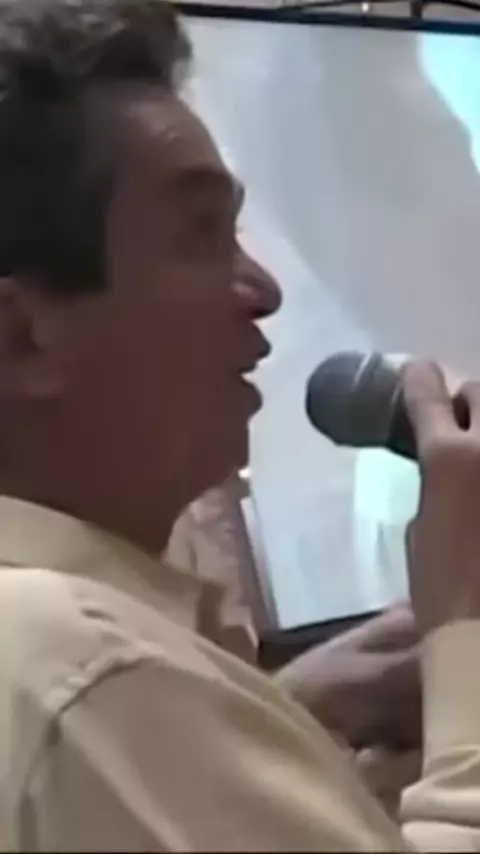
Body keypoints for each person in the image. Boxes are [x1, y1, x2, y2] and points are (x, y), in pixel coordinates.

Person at [0, 1, 478, 850]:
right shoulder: (88, 674)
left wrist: (279, 717)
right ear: (23, 339)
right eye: (199, 236)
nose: (263, 289)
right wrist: (462, 630)